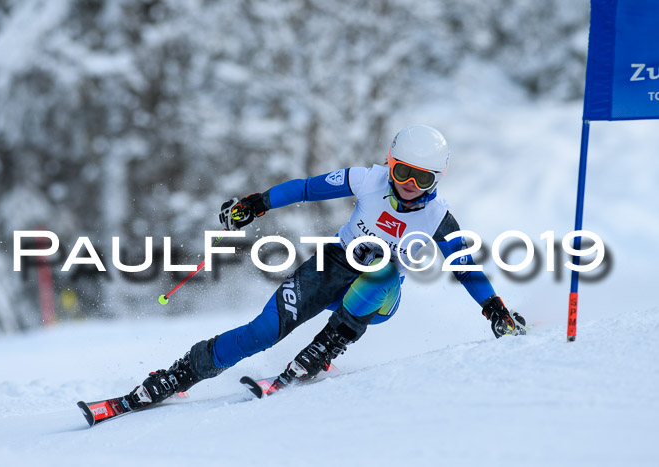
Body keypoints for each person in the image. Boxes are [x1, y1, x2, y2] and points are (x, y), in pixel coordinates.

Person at [126, 124, 526, 407]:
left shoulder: (439, 218)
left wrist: (493, 308)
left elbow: (465, 266)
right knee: (263, 331)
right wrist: (257, 203)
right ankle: (182, 373)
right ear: (390, 163)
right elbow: (305, 188)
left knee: (384, 269)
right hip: (334, 264)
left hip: (376, 295)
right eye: (401, 171)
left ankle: (329, 344)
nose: (407, 184)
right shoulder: (367, 179)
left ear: (437, 179)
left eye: (421, 178)